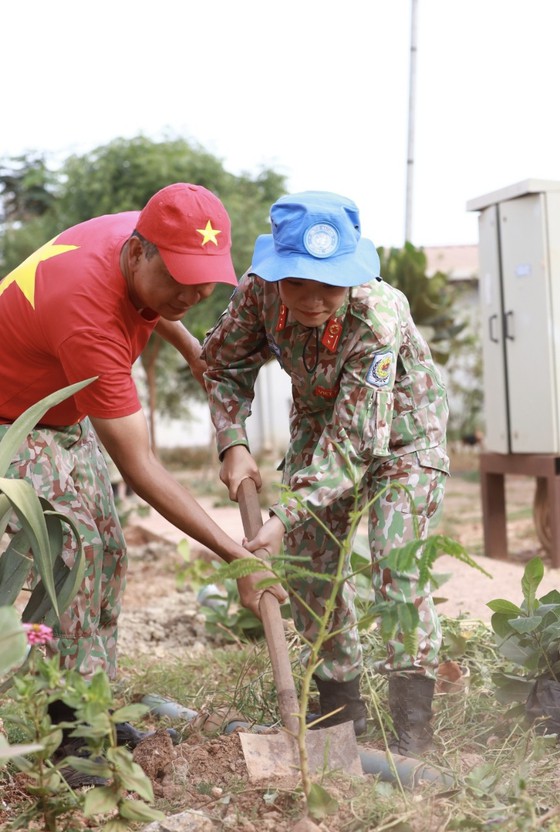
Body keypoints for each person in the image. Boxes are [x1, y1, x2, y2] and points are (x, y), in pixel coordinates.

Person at [0, 183, 287, 769]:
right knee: (73, 558)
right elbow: (144, 468)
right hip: (13, 419)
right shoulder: (87, 317)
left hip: (58, 406)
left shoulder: (154, 230)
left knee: (106, 552)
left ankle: (90, 708)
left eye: (204, 279)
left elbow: (152, 302)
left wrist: (187, 346)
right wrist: (240, 557)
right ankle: (69, 734)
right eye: (179, 279)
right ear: (137, 253)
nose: (195, 292)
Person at [201, 190, 449, 756]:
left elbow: (359, 443)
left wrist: (283, 514)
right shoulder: (259, 294)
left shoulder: (375, 318)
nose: (314, 300)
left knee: (397, 562)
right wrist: (232, 442)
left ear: (352, 276)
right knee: (313, 569)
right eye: (299, 283)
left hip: (403, 439)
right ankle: (340, 711)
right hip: (318, 427)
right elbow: (222, 364)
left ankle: (413, 725)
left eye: (329, 285)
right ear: (277, 274)